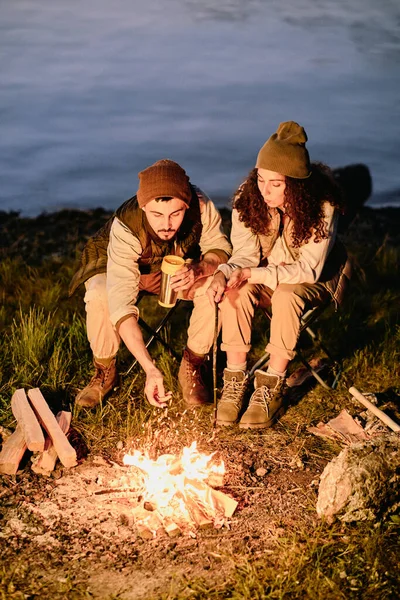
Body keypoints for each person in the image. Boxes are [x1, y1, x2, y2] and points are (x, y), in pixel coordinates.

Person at [207, 121, 351, 429]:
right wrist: (225, 273)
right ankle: (235, 381)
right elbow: (244, 254)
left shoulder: (321, 206)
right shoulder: (248, 198)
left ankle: (271, 385)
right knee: (236, 289)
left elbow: (309, 270)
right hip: (263, 271)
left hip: (314, 279)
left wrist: (252, 272)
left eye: (276, 183)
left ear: (296, 183)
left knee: (286, 294)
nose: (265, 190)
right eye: (261, 179)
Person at [69, 159, 231, 408]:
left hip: (177, 266)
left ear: (187, 205)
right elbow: (121, 302)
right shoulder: (126, 225)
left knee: (214, 287)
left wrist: (198, 268)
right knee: (100, 293)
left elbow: (220, 248)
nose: (166, 224)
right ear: (144, 207)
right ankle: (104, 370)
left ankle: (193, 365)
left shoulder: (201, 205)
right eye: (157, 215)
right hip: (118, 264)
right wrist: (150, 369)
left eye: (176, 214)